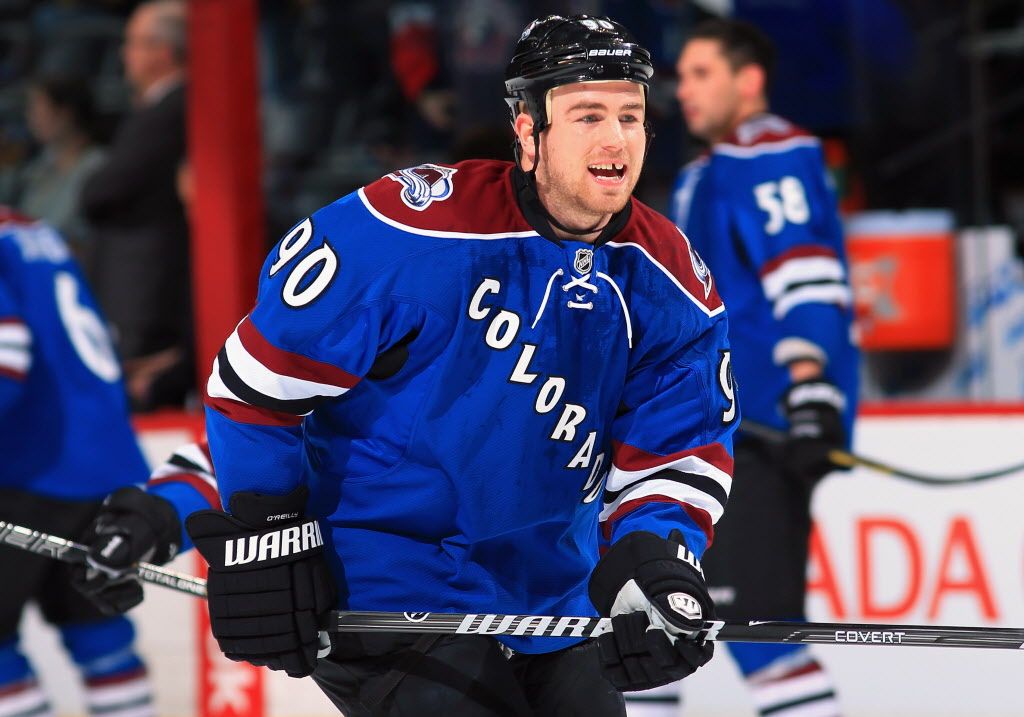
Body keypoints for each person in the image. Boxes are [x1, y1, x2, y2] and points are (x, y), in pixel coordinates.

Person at [74, 14, 738, 717]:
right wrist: (258, 529)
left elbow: (678, 454)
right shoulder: (407, 232)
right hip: (392, 594)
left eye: (631, 116)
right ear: (527, 131)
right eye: (588, 115)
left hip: (552, 601)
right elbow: (257, 393)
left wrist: (659, 557)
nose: (615, 139)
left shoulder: (672, 284)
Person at [634, 17, 859, 717]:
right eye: (683, 76)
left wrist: (810, 385)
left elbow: (807, 278)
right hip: (702, 430)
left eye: (703, 74)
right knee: (640, 624)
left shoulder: (768, 152)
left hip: (755, 430)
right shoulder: (708, 171)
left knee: (754, 632)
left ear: (750, 81)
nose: (685, 91)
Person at [0, 208, 159, 717]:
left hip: (27, 464)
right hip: (100, 457)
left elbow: (6, 355)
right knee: (98, 630)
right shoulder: (28, 229)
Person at [80, 0, 192, 412]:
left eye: (132, 44)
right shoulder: (157, 110)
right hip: (142, 289)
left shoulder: (174, 107)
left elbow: (101, 190)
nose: (124, 55)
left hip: (150, 293)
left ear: (161, 51)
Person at [12, 74, 106, 272]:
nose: (32, 118)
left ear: (65, 113)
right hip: (31, 270)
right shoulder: (37, 169)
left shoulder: (98, 167)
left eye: (39, 109)